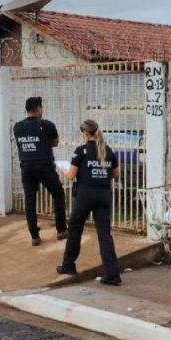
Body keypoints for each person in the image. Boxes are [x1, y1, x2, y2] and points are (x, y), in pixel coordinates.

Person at [56, 119, 121, 285]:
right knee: (105, 235)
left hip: (85, 195)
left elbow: (71, 175)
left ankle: (68, 265)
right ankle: (113, 274)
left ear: (85, 133)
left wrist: (62, 167)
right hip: (104, 195)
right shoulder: (107, 150)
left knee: (75, 228)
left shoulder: (81, 151)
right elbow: (116, 175)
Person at [13, 96, 67, 246]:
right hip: (44, 166)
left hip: (26, 167)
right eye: (41, 107)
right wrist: (42, 143)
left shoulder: (17, 127)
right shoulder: (47, 125)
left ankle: (34, 236)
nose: (42, 110)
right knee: (58, 193)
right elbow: (55, 143)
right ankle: (61, 230)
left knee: (30, 200)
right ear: (37, 109)